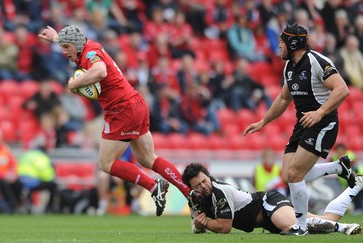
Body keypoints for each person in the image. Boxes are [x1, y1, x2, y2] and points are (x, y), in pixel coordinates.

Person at [38, 24, 191, 216]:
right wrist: (57, 38)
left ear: (75, 45)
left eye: (66, 47)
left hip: (121, 109)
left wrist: (74, 84)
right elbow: (79, 50)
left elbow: (100, 71)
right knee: (147, 158)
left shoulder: (89, 54)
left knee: (105, 163)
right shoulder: (87, 46)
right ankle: (189, 193)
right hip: (136, 102)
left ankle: (153, 186)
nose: (63, 52)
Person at [243, 23, 355, 235]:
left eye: (282, 42)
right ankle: (339, 168)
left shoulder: (317, 61)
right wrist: (263, 122)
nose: (279, 46)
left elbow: (342, 89)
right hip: (302, 124)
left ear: (293, 43)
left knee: (295, 174)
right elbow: (284, 98)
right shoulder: (290, 67)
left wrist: (320, 113)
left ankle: (300, 227)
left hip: (323, 123)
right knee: (288, 176)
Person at [182, 162, 362, 235]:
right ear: (192, 188)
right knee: (326, 219)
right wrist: (199, 225)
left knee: (292, 228)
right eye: (197, 185)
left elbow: (224, 227)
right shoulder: (195, 198)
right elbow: (196, 227)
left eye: (204, 181)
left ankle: (344, 228)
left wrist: (203, 223)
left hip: (267, 203)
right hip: (265, 220)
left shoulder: (219, 191)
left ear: (208, 175)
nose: (203, 186)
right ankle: (356, 187)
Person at [17, 149, 58, 214]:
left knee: (27, 189)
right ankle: (50, 208)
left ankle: (25, 205)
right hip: (33, 182)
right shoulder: (42, 158)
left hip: (20, 181)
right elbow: (46, 176)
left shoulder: (27, 154)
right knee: (53, 185)